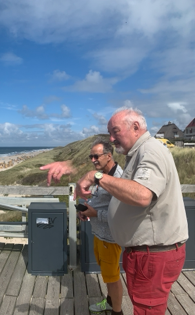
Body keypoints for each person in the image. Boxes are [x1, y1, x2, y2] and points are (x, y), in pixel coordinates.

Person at [42, 108, 187, 315]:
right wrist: (72, 169)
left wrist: (96, 177)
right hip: (143, 252)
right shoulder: (136, 155)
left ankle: (116, 310)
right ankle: (112, 305)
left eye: (115, 131)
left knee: (147, 308)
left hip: (152, 254)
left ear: (135, 127)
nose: (112, 137)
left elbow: (142, 195)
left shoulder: (150, 151)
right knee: (141, 304)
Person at [75, 139, 125, 314]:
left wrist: (96, 214)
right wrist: (86, 209)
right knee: (107, 275)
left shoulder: (118, 178)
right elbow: (101, 201)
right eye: (91, 156)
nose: (92, 160)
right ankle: (110, 302)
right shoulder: (102, 175)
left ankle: (117, 311)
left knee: (112, 278)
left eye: (96, 156)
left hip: (110, 238)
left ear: (108, 155)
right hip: (99, 234)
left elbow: (122, 215)